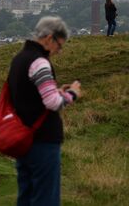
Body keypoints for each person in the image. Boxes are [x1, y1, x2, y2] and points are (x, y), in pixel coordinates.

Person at [9, 16, 81, 206]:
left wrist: (55, 91)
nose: (58, 51)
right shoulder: (39, 62)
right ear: (49, 38)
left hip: (23, 138)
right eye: (59, 45)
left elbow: (28, 96)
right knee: (45, 199)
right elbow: (52, 102)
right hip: (42, 141)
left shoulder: (19, 59)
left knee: (26, 197)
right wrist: (72, 94)